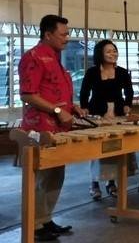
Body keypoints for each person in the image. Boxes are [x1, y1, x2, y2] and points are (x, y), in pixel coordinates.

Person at [19, 15, 84, 241]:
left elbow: (54, 92)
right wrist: (57, 111)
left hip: (59, 128)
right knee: (42, 176)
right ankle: (34, 226)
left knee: (56, 174)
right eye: (63, 34)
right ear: (48, 34)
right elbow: (28, 94)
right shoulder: (33, 57)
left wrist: (72, 107)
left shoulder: (55, 57)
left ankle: (45, 220)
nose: (67, 38)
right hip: (40, 129)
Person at [80, 39, 135, 200]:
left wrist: (127, 105)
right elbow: (84, 92)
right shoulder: (92, 72)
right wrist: (84, 108)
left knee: (114, 147)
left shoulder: (123, 72)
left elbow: (129, 92)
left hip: (116, 114)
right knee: (97, 150)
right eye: (109, 51)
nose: (113, 54)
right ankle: (94, 182)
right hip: (97, 114)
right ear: (100, 54)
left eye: (114, 51)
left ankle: (111, 182)